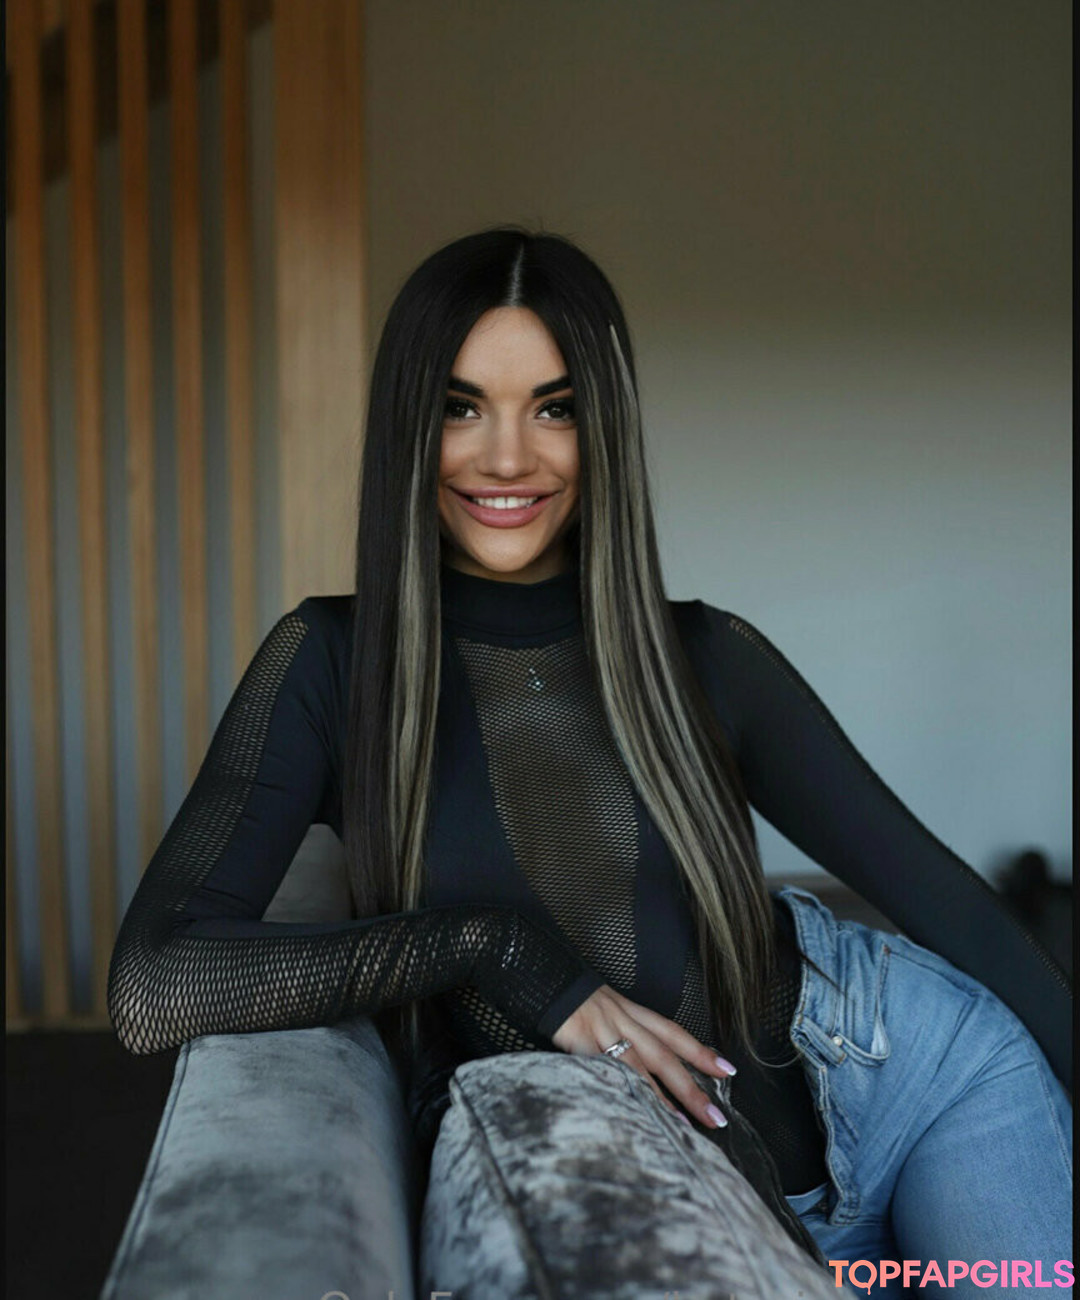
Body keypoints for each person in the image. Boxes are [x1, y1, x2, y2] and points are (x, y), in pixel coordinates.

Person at [107, 227, 1072, 1298]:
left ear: (600, 428)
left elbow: (954, 909)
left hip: (919, 1078)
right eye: (461, 407)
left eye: (554, 408)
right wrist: (488, 947)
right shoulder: (332, 663)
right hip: (737, 1208)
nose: (507, 458)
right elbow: (153, 985)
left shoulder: (702, 653)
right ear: (407, 425)